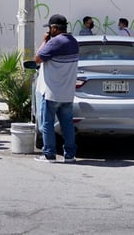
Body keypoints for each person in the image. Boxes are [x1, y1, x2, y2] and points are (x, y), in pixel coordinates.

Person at [34, 13, 79, 163]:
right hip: (67, 93)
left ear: (54, 28)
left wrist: (44, 41)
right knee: (67, 125)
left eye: (49, 29)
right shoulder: (73, 42)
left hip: (51, 92)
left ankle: (49, 154)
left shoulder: (55, 43)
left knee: (47, 123)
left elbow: (37, 58)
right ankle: (70, 155)